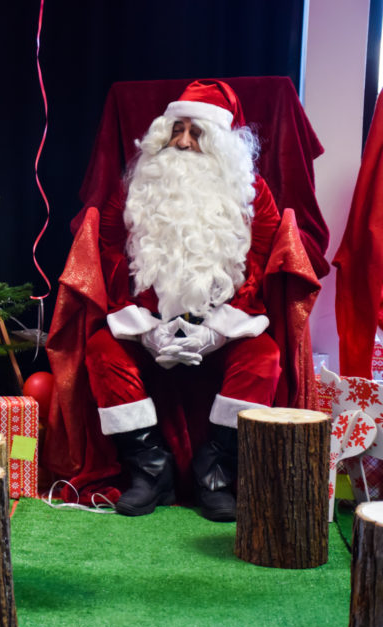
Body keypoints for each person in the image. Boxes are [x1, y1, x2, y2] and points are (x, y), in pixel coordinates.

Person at [84, 79, 282, 521]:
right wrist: (146, 329)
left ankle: (216, 469)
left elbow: (262, 264)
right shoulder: (137, 189)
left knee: (263, 359)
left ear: (222, 144)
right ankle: (151, 469)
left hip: (223, 327)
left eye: (197, 133)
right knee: (101, 350)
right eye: (178, 130)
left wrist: (216, 332)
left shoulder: (252, 195)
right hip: (151, 322)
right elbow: (112, 256)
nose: (185, 142)